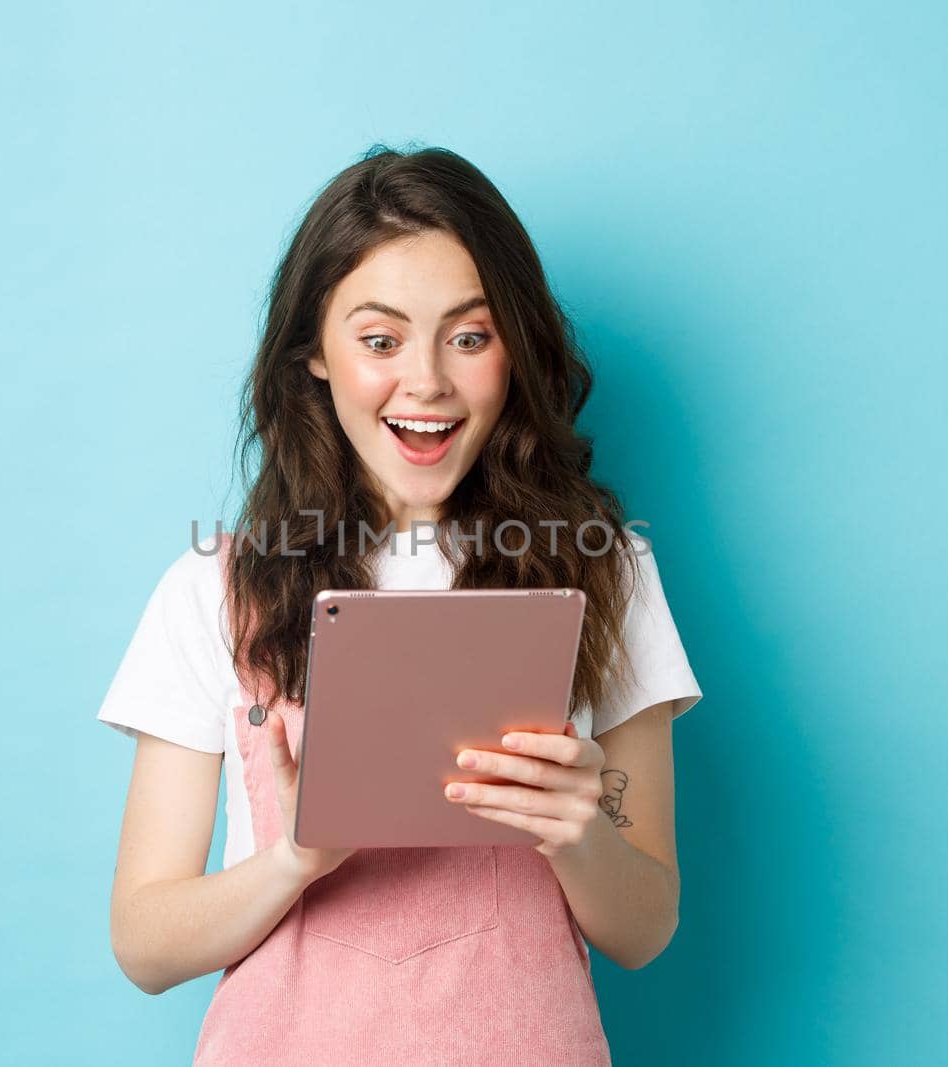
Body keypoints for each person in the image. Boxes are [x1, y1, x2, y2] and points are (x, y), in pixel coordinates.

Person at [95, 145, 703, 1065]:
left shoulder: (611, 570)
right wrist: (296, 857)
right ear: (315, 357)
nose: (427, 381)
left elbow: (644, 926)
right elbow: (144, 941)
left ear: (518, 348)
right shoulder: (215, 588)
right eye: (380, 340)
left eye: (469, 335)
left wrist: (581, 830)